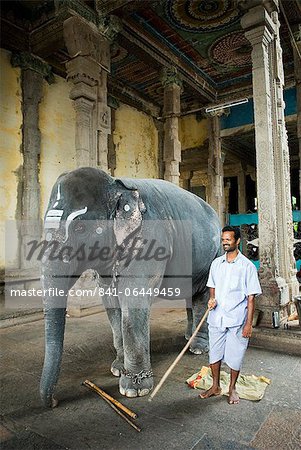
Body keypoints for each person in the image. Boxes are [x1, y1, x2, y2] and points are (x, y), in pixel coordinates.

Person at [200, 225, 262, 405]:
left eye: (228, 239)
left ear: (237, 241)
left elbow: (251, 298)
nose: (225, 242)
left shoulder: (247, 266)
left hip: (236, 320)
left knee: (235, 356)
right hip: (216, 318)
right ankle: (215, 386)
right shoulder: (216, 264)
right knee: (214, 354)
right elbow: (212, 286)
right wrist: (212, 299)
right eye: (223, 239)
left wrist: (248, 324)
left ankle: (232, 388)